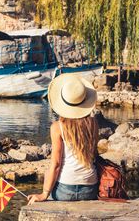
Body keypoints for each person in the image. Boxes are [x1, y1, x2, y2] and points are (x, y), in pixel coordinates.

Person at [28, 73, 99, 204]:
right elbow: (94, 154)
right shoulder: (93, 124)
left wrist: (44, 194)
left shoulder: (57, 127)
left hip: (65, 190)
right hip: (90, 189)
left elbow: (56, 164)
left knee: (48, 172)